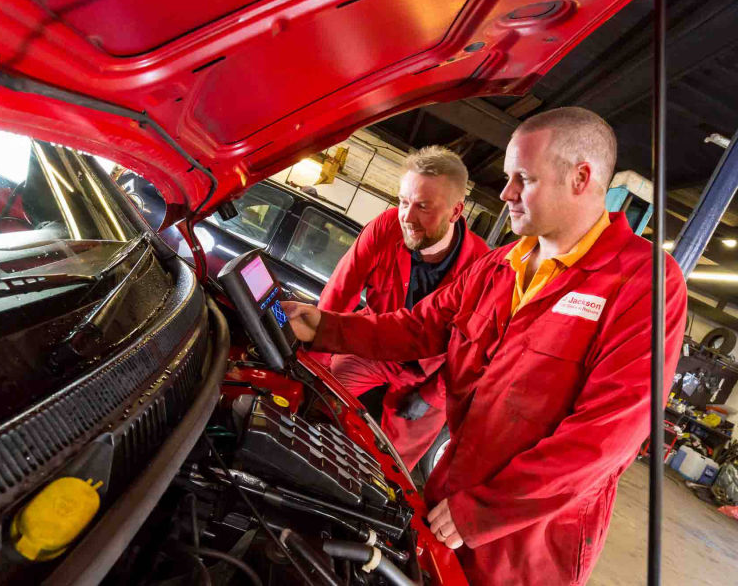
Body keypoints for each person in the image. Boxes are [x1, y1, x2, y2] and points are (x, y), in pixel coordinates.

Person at [283, 107, 687, 585]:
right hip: (451, 492)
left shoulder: (643, 283)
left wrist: (483, 511)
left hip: (530, 539)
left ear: (580, 178)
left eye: (523, 179)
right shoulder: (499, 266)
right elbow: (417, 327)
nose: (505, 192)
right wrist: (324, 326)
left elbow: (605, 436)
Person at [316, 146, 489, 471]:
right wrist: (317, 365)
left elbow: (473, 351)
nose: (407, 218)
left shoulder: (482, 268)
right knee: (318, 403)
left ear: (455, 212)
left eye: (423, 206)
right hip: (373, 346)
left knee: (391, 468)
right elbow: (339, 294)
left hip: (432, 371)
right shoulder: (385, 228)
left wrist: (433, 395)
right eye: (403, 202)